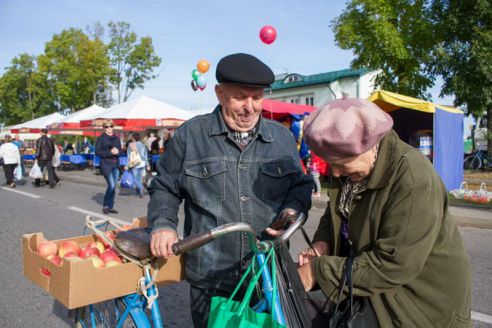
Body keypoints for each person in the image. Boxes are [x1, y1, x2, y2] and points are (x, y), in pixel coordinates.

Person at [147, 53, 313, 327]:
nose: (250, 107)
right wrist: (163, 225)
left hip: (268, 273)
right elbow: (165, 187)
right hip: (212, 276)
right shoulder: (191, 136)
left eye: (257, 97)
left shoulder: (282, 138)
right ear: (220, 94)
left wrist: (294, 207)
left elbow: (301, 184)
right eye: (240, 97)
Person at [298, 97, 472, 327]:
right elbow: (337, 212)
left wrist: (318, 272)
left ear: (370, 147)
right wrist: (323, 242)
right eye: (332, 165)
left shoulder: (413, 178)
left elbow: (393, 263)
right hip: (371, 284)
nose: (337, 174)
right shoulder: (354, 170)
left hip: (416, 303)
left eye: (342, 164)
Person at [95, 119, 122, 214]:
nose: (109, 128)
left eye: (111, 126)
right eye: (107, 127)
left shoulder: (117, 138)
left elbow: (120, 151)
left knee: (113, 187)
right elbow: (97, 152)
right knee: (112, 185)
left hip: (115, 164)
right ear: (104, 128)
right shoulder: (101, 138)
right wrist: (110, 152)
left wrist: (118, 152)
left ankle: (110, 207)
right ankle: (105, 205)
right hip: (106, 164)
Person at [126, 132, 149, 198]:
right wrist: (147, 164)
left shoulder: (131, 145)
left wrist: (127, 165)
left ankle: (141, 188)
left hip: (135, 163)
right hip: (142, 163)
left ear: (133, 138)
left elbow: (129, 156)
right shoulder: (143, 145)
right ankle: (138, 193)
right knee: (139, 178)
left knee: (134, 179)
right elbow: (145, 156)